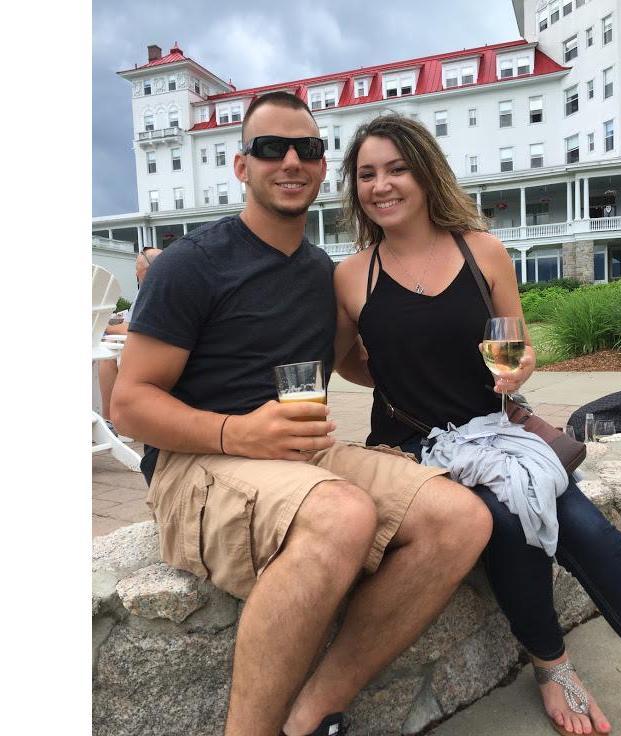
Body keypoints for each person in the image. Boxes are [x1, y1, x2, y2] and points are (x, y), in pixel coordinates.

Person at [111, 93, 492, 736]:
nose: (290, 161)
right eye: (270, 148)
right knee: (343, 514)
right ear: (242, 166)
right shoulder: (191, 264)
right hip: (197, 460)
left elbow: (359, 362)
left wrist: (453, 359)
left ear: (321, 168)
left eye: (307, 149)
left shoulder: (323, 274)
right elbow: (128, 403)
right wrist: (236, 431)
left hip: (297, 455)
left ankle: (315, 712)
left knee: (461, 519)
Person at [333, 114, 621, 736]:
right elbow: (346, 360)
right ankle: (552, 665)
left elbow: (518, 349)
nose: (381, 185)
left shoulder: (483, 251)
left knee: (584, 524)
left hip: (494, 433)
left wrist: (519, 368)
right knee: (506, 520)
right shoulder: (351, 274)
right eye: (367, 174)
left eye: (396, 169)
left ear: (426, 173)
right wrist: (389, 376)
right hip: (413, 446)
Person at [98, 247, 162, 432]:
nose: (135, 273)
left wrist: (103, 326)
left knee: (107, 356)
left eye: (137, 268)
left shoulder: (150, 291)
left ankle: (109, 421)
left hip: (152, 350)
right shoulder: (166, 287)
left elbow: (130, 329)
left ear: (147, 270)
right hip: (164, 346)